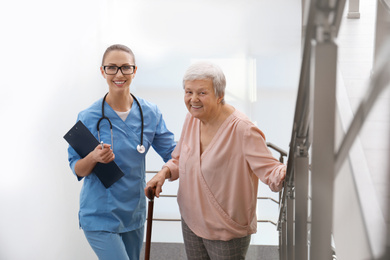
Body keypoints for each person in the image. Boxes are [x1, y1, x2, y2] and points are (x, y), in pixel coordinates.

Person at [145, 61, 286, 260]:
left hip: (225, 229)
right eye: (188, 92)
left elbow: (270, 170)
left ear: (220, 95)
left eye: (202, 93)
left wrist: (287, 171)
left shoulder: (243, 130)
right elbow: (179, 158)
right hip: (191, 221)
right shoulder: (192, 118)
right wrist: (163, 173)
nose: (193, 99)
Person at [67, 44, 176, 260]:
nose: (119, 74)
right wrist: (93, 157)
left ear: (135, 71)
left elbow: (174, 154)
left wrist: (163, 173)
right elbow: (77, 168)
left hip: (133, 213)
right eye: (112, 68)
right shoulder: (88, 116)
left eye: (126, 67)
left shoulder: (150, 113)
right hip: (99, 214)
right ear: (102, 71)